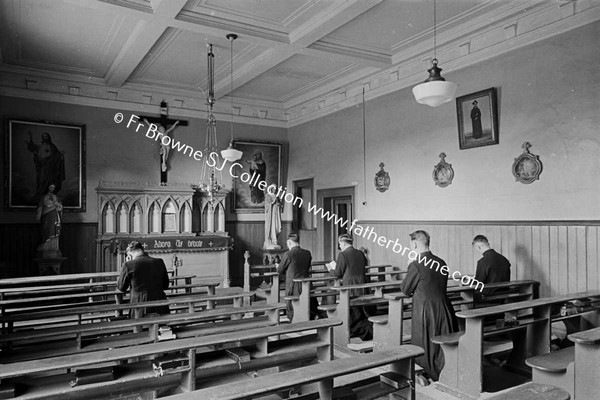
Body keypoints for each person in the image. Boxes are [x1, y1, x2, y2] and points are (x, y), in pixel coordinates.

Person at [400, 230, 458, 384]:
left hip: (425, 310)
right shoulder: (441, 262)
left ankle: (425, 371)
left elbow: (405, 290)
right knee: (440, 342)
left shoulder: (416, 264)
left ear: (414, 244)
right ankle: (446, 370)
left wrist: (408, 267)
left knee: (423, 341)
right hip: (444, 307)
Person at [328, 234, 373, 341]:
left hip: (350, 285)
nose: (340, 246)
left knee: (352, 310)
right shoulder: (360, 253)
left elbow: (338, 273)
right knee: (359, 310)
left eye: (340, 244)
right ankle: (364, 330)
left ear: (343, 243)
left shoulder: (343, 255)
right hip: (361, 284)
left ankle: (356, 330)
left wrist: (330, 268)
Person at [276, 233, 323, 322]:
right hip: (306, 282)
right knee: (309, 301)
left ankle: (293, 319)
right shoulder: (307, 253)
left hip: (293, 284)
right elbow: (307, 266)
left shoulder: (288, 254)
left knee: (292, 303)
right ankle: (310, 316)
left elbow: (279, 270)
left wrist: (277, 266)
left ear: (289, 242)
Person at [117, 241, 170, 317]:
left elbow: (121, 287)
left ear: (129, 255)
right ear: (143, 250)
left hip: (139, 307)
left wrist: (128, 264)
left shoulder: (128, 265)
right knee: (161, 327)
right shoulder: (159, 262)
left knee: (139, 328)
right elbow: (165, 285)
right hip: (160, 305)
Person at [26, 132, 65, 204]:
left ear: (49, 137)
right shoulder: (39, 146)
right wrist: (30, 138)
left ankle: (50, 196)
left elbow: (57, 155)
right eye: (43, 136)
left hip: (50, 168)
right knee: (41, 181)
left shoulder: (52, 146)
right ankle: (40, 194)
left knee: (50, 181)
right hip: (42, 167)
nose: (45, 137)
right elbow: (32, 147)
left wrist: (60, 155)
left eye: (46, 136)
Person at [36, 183, 63, 253]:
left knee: (53, 229)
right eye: (50, 187)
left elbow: (59, 205)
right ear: (47, 188)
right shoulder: (43, 197)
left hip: (54, 215)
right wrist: (39, 214)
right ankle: (45, 246)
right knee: (45, 229)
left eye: (53, 188)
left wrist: (59, 207)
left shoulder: (55, 196)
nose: (52, 189)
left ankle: (53, 247)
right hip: (46, 215)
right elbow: (40, 206)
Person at [264, 184, 282, 249]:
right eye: (273, 189)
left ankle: (275, 240)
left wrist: (278, 203)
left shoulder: (277, 196)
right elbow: (267, 206)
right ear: (270, 189)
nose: (274, 190)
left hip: (276, 215)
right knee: (271, 227)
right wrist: (272, 202)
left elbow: (279, 204)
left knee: (276, 226)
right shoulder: (268, 196)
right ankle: (270, 240)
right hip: (270, 216)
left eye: (275, 189)